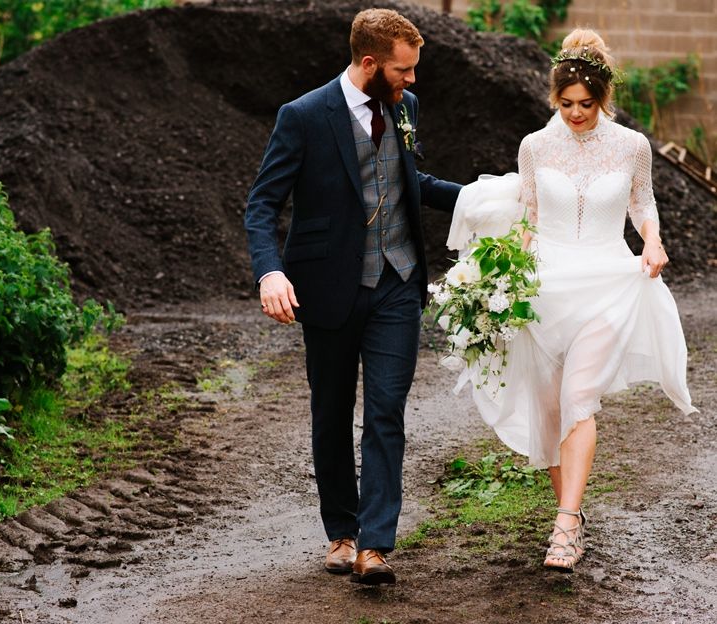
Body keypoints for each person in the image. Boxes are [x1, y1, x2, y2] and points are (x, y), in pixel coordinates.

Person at [447, 28, 696, 572]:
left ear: (603, 97)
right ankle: (573, 515)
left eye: (586, 104)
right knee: (552, 405)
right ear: (553, 98)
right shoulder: (535, 146)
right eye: (566, 104)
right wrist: (497, 280)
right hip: (547, 286)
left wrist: (653, 242)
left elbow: (642, 204)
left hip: (607, 280)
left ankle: (564, 524)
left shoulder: (632, 146)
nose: (576, 114)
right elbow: (531, 219)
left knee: (580, 396)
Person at [244, 8, 461, 584]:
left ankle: (375, 546)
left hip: (398, 284)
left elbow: (408, 182)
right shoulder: (304, 116)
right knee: (332, 413)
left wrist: (490, 199)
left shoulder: (406, 109)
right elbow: (262, 204)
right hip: (330, 287)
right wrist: (270, 273)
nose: (412, 80)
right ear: (370, 64)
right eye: (403, 70)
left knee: (386, 410)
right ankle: (341, 532)